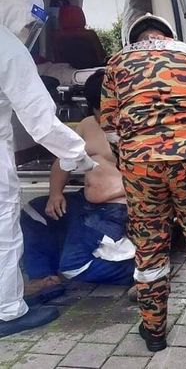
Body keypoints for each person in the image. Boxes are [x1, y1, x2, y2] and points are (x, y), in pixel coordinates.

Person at [100, 13, 186, 352]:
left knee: (149, 245)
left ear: (135, 38)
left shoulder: (117, 62)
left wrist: (131, 157)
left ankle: (154, 331)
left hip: (140, 165)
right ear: (168, 35)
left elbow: (109, 125)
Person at [0, 0, 96, 338]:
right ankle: (8, 311)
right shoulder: (9, 48)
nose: (29, 32)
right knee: (4, 231)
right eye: (29, 24)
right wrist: (79, 156)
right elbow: (41, 122)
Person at [21, 70, 135, 304]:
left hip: (115, 209)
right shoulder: (87, 125)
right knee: (33, 212)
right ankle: (44, 278)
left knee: (74, 266)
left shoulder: (138, 127)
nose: (105, 116)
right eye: (99, 110)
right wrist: (55, 194)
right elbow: (64, 159)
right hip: (84, 203)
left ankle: (143, 272)